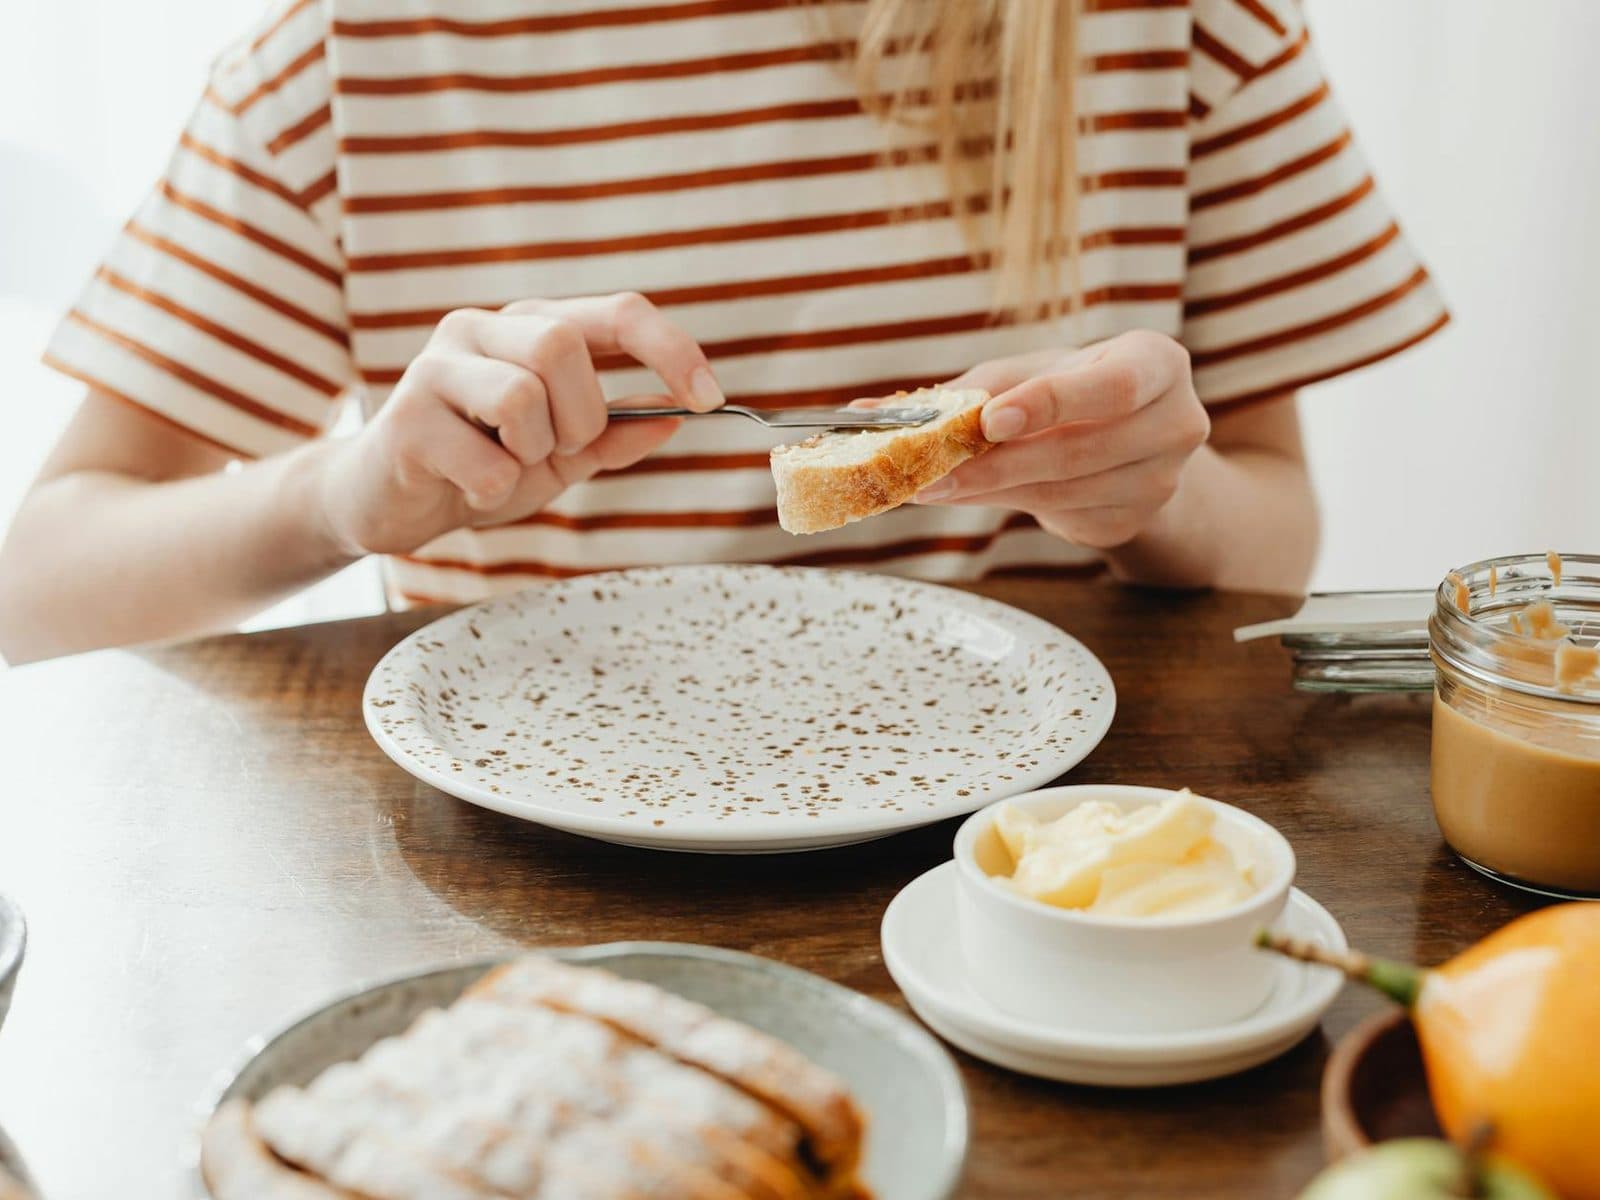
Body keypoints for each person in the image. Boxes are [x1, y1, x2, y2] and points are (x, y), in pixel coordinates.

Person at [0, 0, 1448, 664]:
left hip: (1021, 871)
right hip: (522, 875)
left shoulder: (1176, 26)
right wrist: (339, 495)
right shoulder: (347, 56)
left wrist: (1153, 496)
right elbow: (40, 584)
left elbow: (1279, 538)